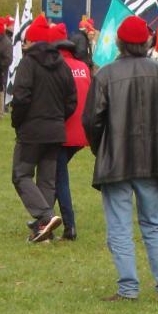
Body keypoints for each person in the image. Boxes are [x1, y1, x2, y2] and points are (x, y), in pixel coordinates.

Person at [82, 15, 158, 302]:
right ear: (147, 41)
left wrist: (100, 146)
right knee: (153, 224)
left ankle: (130, 288)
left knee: (120, 226)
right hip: (153, 161)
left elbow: (91, 120)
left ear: (119, 42)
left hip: (117, 160)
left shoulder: (106, 75)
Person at [10, 17, 77, 244]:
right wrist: (58, 118)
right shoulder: (62, 64)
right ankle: (43, 230)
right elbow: (72, 100)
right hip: (56, 131)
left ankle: (45, 217)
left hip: (32, 130)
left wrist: (18, 122)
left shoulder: (28, 63)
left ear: (31, 40)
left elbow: (20, 97)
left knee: (21, 174)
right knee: (47, 181)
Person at [52, 23, 91, 242]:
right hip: (81, 132)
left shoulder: (57, 67)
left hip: (62, 130)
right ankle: (45, 215)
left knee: (58, 179)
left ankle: (69, 226)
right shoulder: (82, 67)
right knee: (56, 176)